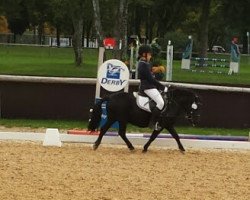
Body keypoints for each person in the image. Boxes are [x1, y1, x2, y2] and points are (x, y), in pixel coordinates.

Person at [137, 44, 168, 130]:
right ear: (144, 54)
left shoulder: (145, 63)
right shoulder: (143, 64)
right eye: (149, 54)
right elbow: (150, 79)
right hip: (147, 87)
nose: (150, 56)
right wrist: (162, 87)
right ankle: (152, 123)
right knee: (161, 103)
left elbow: (151, 77)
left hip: (150, 86)